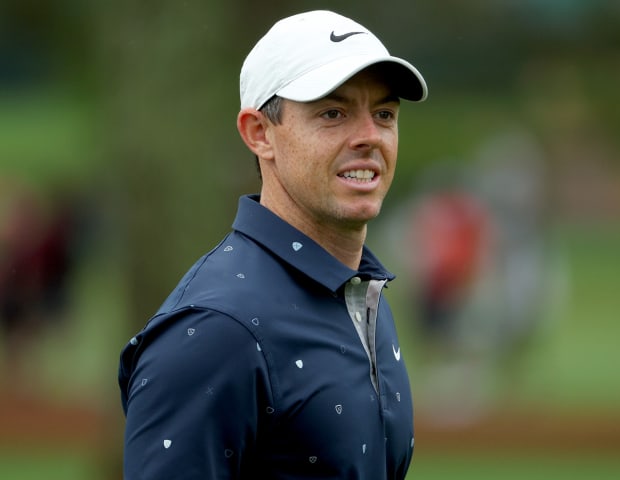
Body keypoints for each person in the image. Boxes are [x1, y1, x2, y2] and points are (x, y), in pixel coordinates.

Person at [118, 10, 427, 479]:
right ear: (259, 133)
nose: (369, 136)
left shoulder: (362, 296)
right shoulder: (215, 330)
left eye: (383, 114)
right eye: (333, 113)